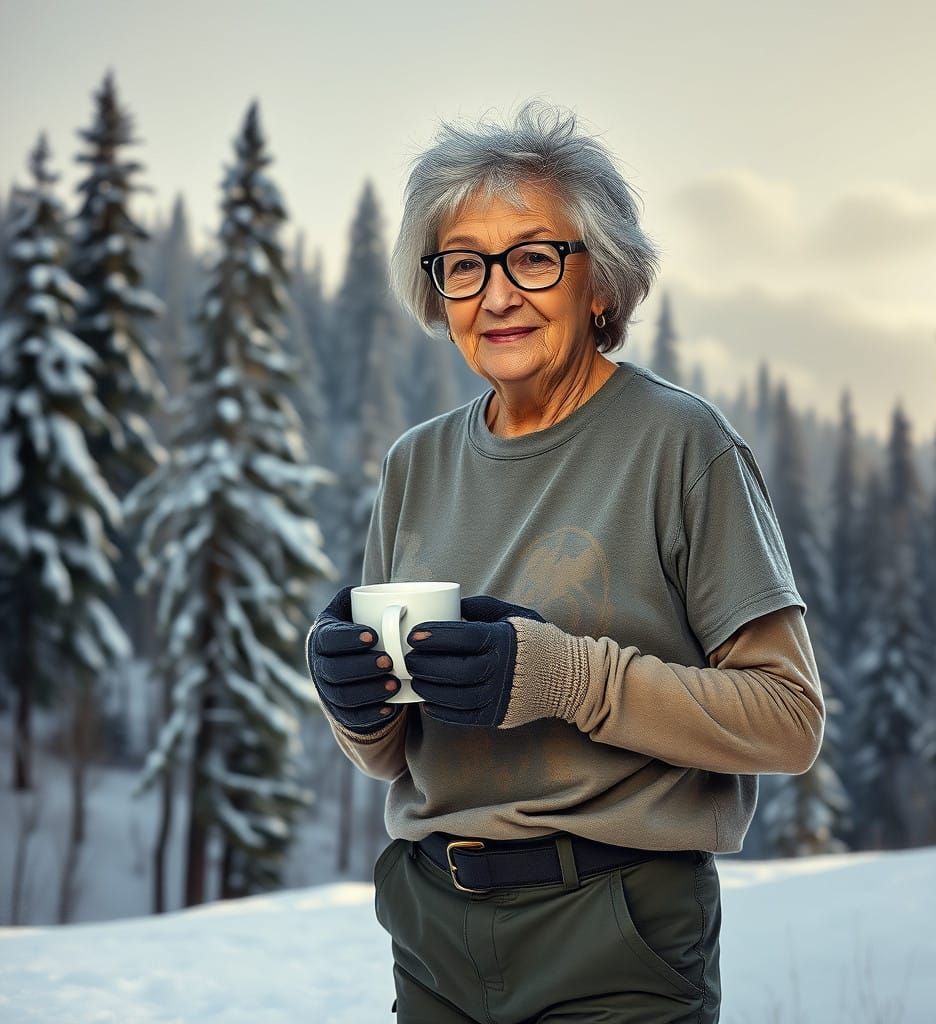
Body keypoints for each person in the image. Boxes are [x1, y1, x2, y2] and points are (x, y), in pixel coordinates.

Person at [305, 100, 825, 1024]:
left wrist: (565, 676)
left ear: (602, 285)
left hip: (615, 925)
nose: (496, 294)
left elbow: (788, 722)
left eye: (533, 256)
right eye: (463, 264)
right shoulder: (413, 464)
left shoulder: (680, 446)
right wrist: (356, 703)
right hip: (432, 926)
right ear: (438, 293)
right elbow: (391, 756)